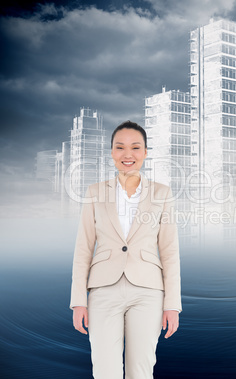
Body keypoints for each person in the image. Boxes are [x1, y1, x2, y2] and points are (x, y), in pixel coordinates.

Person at [69, 121, 182, 378]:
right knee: (104, 369)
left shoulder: (162, 193)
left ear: (145, 152)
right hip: (103, 290)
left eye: (135, 147)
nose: (127, 154)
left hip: (148, 292)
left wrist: (172, 304)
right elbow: (83, 248)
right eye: (120, 147)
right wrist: (78, 301)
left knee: (140, 370)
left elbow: (170, 251)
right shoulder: (95, 192)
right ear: (111, 152)